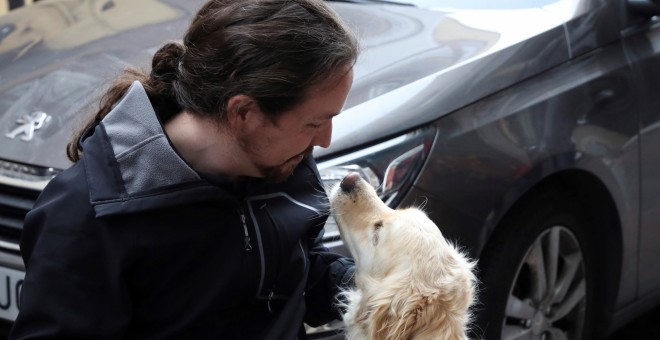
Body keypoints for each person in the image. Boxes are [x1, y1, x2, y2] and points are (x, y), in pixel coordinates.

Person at [9, 0, 358, 338]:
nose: (324, 140)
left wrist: (374, 288)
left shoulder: (280, 162)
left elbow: (296, 272)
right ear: (243, 113)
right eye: (315, 123)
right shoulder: (91, 213)